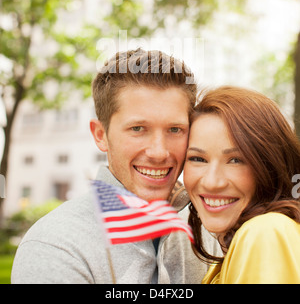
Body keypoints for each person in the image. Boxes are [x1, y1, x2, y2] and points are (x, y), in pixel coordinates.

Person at [11, 49, 219, 284]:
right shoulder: (55, 247)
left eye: (175, 129)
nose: (159, 152)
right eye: (138, 129)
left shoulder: (208, 234)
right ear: (100, 135)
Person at [184, 85, 300, 284]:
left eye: (236, 160)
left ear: (270, 165)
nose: (212, 182)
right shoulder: (236, 247)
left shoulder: (265, 233)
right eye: (198, 159)